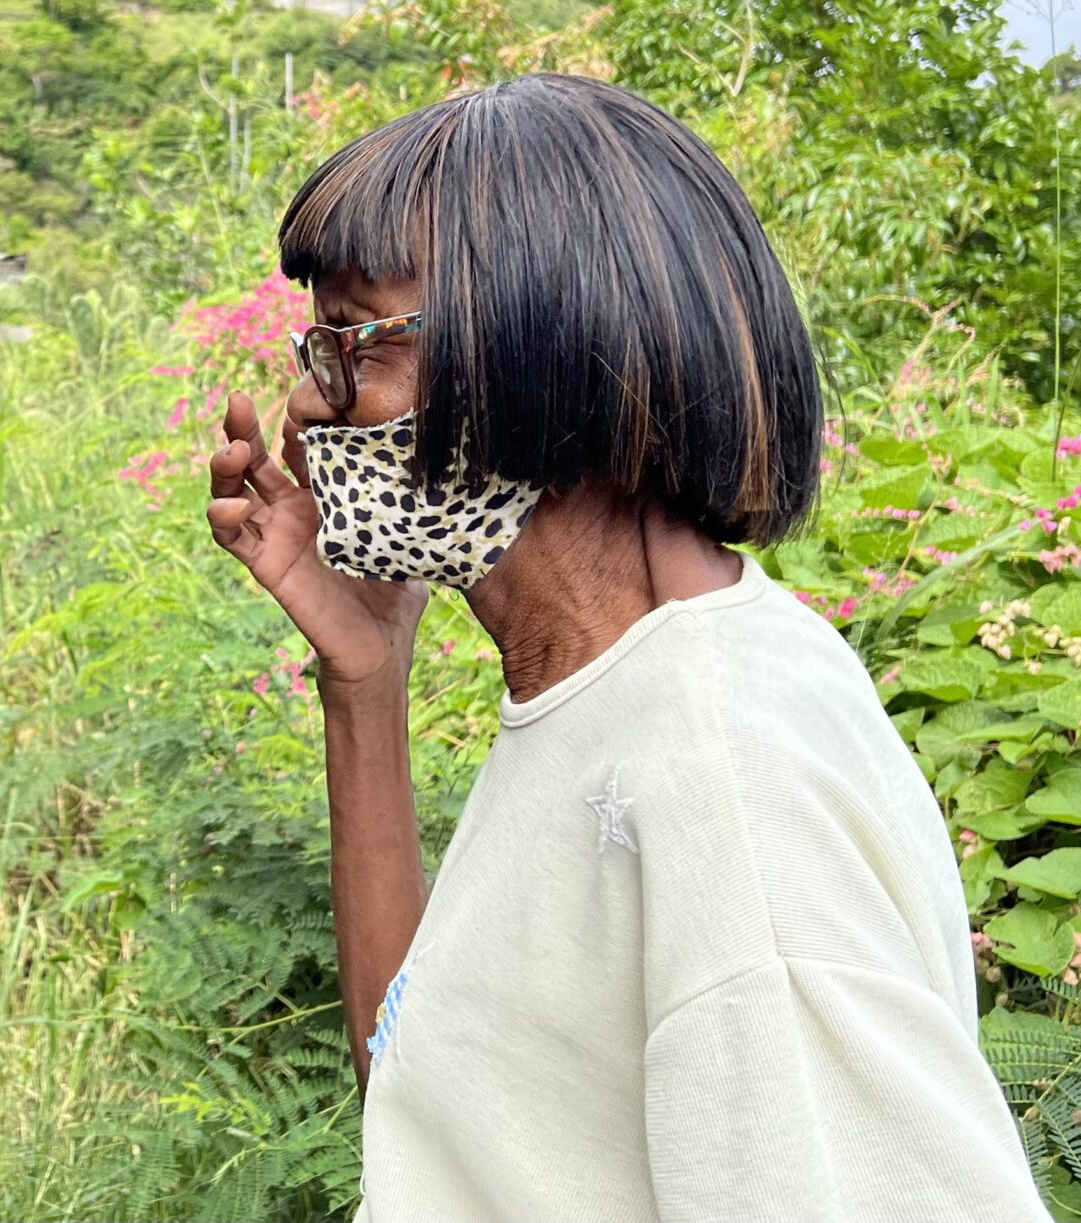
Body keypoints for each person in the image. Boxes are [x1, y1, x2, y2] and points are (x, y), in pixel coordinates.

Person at [205, 74, 1046, 1221]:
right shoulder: (608, 682)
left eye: (356, 341)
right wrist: (364, 682)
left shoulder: (724, 786)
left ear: (543, 350)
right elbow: (431, 1112)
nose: (308, 407)